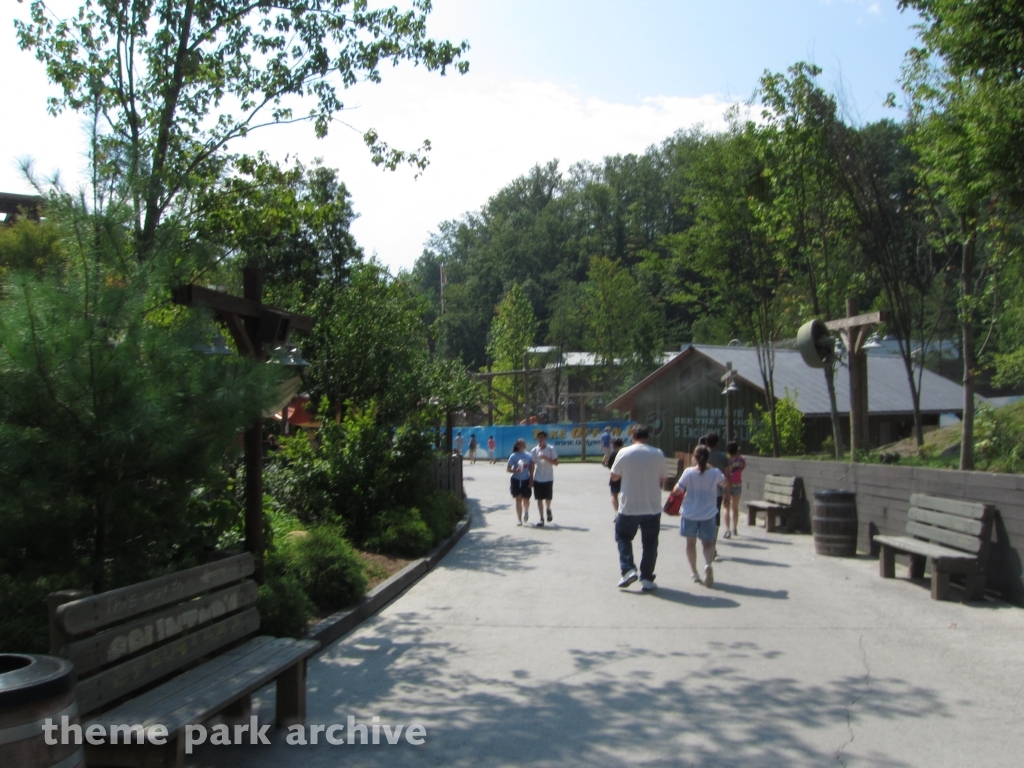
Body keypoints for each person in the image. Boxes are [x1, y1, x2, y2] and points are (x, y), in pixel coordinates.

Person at [610, 424, 666, 592]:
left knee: (623, 536)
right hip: (652, 505)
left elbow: (614, 476)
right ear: (648, 437)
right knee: (650, 544)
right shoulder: (658, 453)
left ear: (633, 437)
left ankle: (628, 570)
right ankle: (647, 579)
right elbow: (664, 478)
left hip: (629, 505)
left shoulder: (624, 452)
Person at [677, 445, 728, 587]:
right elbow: (725, 484)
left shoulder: (688, 472)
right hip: (709, 513)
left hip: (690, 513)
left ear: (694, 457)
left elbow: (677, 490)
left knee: (690, 543)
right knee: (707, 543)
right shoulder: (715, 472)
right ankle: (708, 565)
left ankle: (694, 572)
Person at [530, 431, 559, 526]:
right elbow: (532, 465)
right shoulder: (534, 450)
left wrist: (546, 458)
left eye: (542, 437)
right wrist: (531, 478)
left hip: (548, 477)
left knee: (548, 497)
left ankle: (548, 509)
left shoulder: (551, 449)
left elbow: (556, 463)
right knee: (539, 499)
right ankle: (542, 519)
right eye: (539, 437)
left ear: (545, 438)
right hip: (538, 478)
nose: (540, 439)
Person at [705, 432, 729, 535]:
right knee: (716, 513)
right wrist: (727, 493)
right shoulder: (723, 457)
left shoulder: (702, 455)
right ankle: (713, 540)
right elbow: (727, 475)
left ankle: (705, 537)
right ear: (718, 442)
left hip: (703, 490)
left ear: (706, 442)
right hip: (717, 491)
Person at [506, 438, 534, 526]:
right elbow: (508, 469)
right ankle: (519, 519)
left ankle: (526, 512)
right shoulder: (513, 456)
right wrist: (515, 470)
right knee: (518, 500)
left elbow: (531, 468)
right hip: (516, 480)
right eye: (522, 444)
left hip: (526, 479)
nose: (524, 445)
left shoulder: (529, 455)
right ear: (518, 446)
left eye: (524, 444)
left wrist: (531, 480)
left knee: (526, 499)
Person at [725, 441, 746, 538]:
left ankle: (727, 529)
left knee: (726, 507)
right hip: (737, 484)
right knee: (735, 508)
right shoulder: (741, 459)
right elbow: (743, 466)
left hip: (727, 484)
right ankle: (735, 528)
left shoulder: (726, 460)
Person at [604, 437, 625, 517]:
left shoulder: (614, 453)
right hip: (626, 476)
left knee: (614, 495)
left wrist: (606, 464)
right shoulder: (626, 453)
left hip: (615, 476)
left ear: (614, 445)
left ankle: (617, 512)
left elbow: (610, 466)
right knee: (625, 495)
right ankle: (625, 511)